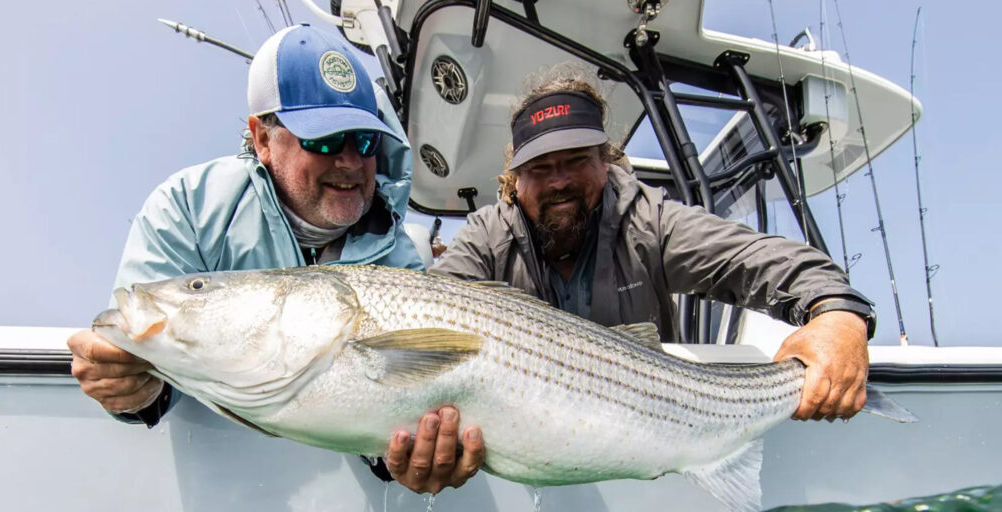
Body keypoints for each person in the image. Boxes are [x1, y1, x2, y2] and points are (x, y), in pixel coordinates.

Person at [66, 25, 483, 494]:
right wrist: (134, 389)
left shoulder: (400, 257)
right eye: (323, 140)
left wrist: (401, 458)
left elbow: (391, 418)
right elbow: (142, 358)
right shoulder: (190, 205)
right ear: (262, 138)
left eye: (365, 141)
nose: (349, 161)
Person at [430, 68, 877, 422]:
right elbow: (420, 317)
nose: (560, 181)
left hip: (657, 429)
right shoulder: (485, 238)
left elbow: (767, 262)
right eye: (541, 168)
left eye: (577, 160)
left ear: (606, 162)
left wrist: (838, 318)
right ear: (514, 178)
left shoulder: (649, 220)